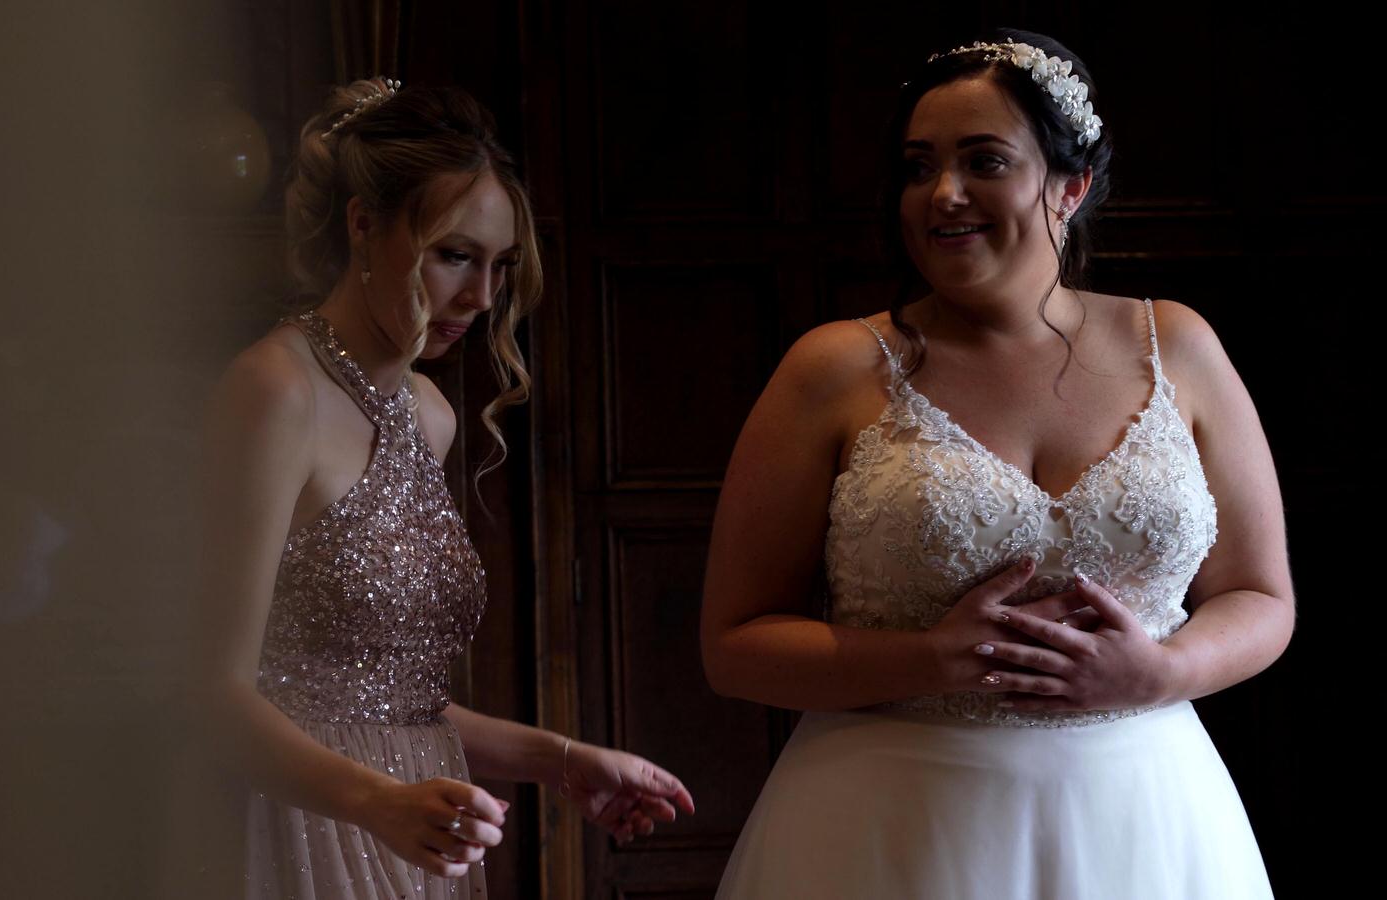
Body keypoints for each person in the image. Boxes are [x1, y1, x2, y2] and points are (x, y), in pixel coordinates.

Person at [700, 30, 1292, 899]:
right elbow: (734, 646)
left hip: (1146, 817)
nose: (942, 195)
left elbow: (1261, 597)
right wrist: (932, 659)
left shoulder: (1180, 347)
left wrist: (1165, 672)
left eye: (984, 162)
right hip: (890, 822)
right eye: (917, 166)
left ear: (1071, 185)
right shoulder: (833, 370)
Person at [196, 79, 695, 899]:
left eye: (500, 265)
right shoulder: (274, 390)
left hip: (416, 826)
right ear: (363, 224)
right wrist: (375, 802)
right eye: (455, 255)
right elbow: (212, 693)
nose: (483, 297)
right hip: (297, 826)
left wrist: (566, 761)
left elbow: (389, 701)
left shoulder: (427, 413)